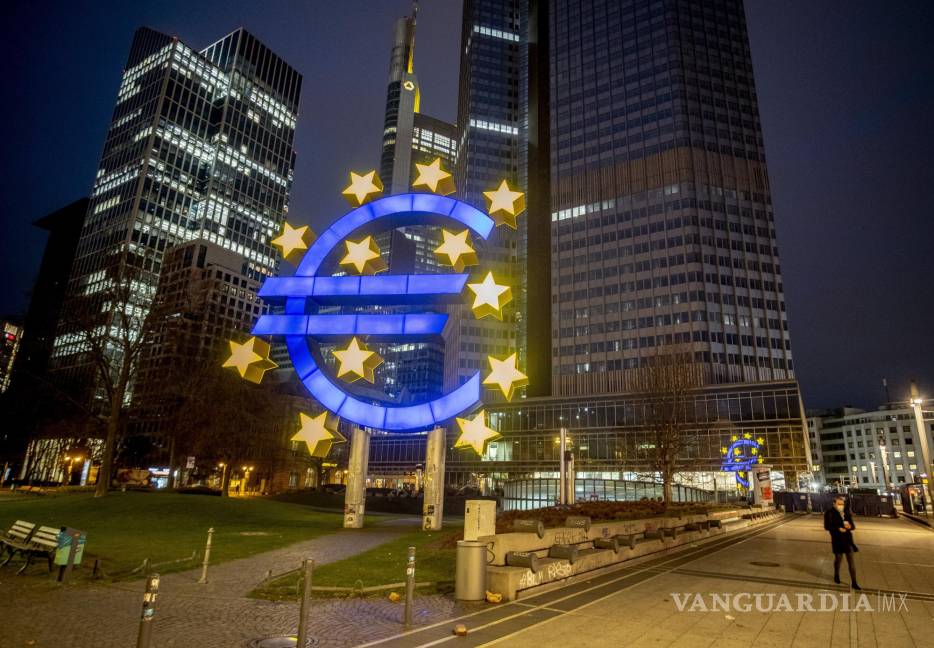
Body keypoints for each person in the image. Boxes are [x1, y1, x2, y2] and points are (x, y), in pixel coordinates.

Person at [823, 495, 860, 589]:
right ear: (834, 504)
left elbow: (853, 526)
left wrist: (850, 526)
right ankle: (836, 574)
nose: (841, 506)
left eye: (842, 504)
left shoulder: (846, 513)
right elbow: (827, 527)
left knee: (851, 561)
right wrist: (838, 528)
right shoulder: (829, 513)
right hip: (837, 539)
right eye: (839, 504)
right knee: (838, 559)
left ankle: (854, 582)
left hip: (848, 540)